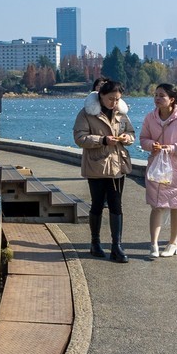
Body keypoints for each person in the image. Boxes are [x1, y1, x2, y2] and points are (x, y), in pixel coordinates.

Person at [73, 79, 135, 262]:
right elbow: (79, 138)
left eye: (117, 99)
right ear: (100, 96)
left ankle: (117, 246)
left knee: (116, 204)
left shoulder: (121, 113)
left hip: (117, 164)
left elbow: (131, 133)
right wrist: (102, 140)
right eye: (110, 99)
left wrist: (126, 138)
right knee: (97, 204)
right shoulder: (86, 113)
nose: (114, 103)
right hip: (96, 164)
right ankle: (95, 242)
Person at [140, 83, 177, 258]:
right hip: (157, 169)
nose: (157, 99)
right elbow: (143, 138)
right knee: (156, 206)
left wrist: (172, 148)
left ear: (172, 99)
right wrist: (152, 145)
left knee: (176, 207)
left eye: (161, 96)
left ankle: (173, 243)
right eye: (156, 95)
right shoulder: (150, 118)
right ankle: (153, 244)